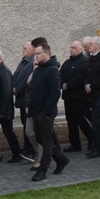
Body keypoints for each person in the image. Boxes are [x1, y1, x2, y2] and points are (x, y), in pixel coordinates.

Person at [28, 43, 69, 182]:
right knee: (41, 138)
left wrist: (46, 112)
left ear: (47, 53)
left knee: (46, 142)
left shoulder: (52, 70)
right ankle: (61, 158)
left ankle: (43, 170)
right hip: (36, 111)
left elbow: (55, 92)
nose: (35, 56)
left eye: (38, 54)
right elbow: (34, 90)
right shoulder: (38, 70)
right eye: (35, 54)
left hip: (46, 112)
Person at [59, 40, 92, 153]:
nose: (71, 49)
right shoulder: (67, 63)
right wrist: (62, 84)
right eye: (70, 47)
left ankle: (91, 138)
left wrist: (68, 85)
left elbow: (81, 77)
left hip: (79, 96)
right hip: (68, 96)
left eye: (73, 47)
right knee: (70, 120)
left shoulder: (84, 61)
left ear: (80, 49)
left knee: (80, 118)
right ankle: (75, 144)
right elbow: (60, 75)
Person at [12, 41, 37, 162]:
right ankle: (27, 148)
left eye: (25, 48)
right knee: (25, 124)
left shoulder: (32, 63)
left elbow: (27, 80)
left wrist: (17, 90)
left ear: (32, 50)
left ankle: (30, 150)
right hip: (22, 100)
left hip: (26, 99)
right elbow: (16, 76)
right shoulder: (23, 62)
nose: (23, 50)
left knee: (29, 127)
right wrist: (13, 86)